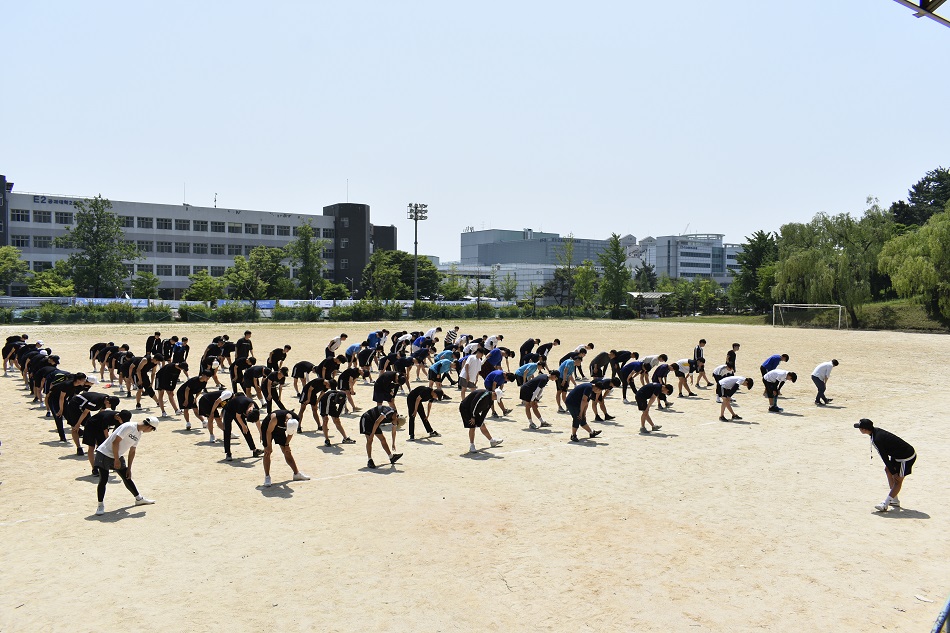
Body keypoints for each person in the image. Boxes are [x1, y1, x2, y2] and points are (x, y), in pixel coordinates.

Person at [93, 415, 158, 516]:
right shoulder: (129, 426)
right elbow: (115, 442)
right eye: (152, 430)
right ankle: (100, 505)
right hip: (104, 453)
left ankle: (139, 499)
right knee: (104, 479)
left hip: (117, 455)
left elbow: (132, 451)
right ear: (150, 427)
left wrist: (129, 468)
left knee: (127, 477)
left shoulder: (139, 434)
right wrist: (116, 459)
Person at [855, 419, 916, 512]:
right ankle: (894, 499)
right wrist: (892, 471)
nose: (859, 429)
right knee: (888, 470)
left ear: (864, 430)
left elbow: (884, 458)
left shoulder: (876, 439)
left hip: (906, 457)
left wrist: (894, 473)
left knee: (898, 480)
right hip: (897, 455)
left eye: (860, 428)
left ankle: (885, 504)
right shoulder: (875, 432)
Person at [261, 410, 310, 487]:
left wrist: (286, 445)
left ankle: (296, 474)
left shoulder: (295, 420)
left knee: (287, 451)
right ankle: (267, 477)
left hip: (279, 430)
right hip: (267, 429)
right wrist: (269, 446)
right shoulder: (275, 418)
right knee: (267, 452)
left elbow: (290, 433)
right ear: (286, 422)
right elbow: (269, 432)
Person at [83, 409, 132, 475]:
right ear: (119, 417)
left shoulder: (121, 419)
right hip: (91, 426)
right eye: (122, 421)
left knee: (107, 448)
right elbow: (106, 432)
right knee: (91, 447)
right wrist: (110, 442)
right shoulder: (107, 417)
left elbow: (116, 433)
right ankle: (94, 468)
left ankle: (111, 464)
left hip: (100, 429)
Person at [459, 389, 505, 454]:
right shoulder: (484, 394)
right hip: (465, 408)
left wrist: (480, 421)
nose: (495, 399)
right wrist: (473, 416)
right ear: (494, 393)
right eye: (496, 398)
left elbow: (484, 412)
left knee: (482, 424)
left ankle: (492, 441)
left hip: (473, 410)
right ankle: (472, 445)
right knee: (472, 426)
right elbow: (474, 404)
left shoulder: (491, 401)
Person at [222, 393, 265, 461]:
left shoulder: (256, 409)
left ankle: (254, 450)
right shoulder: (242, 404)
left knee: (246, 431)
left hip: (239, 413)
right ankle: (228, 453)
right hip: (229, 410)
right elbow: (237, 416)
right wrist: (243, 425)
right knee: (227, 431)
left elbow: (257, 421)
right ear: (249, 410)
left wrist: (261, 433)